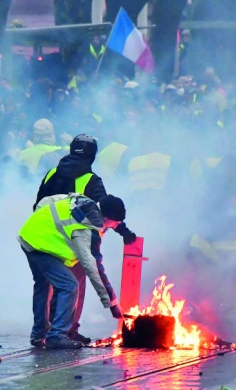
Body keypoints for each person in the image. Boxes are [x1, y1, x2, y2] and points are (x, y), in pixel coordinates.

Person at [34, 134, 137, 344]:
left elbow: (37, 205)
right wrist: (125, 232)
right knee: (75, 283)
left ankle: (41, 333)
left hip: (46, 239)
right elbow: (105, 210)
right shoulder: (92, 180)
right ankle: (67, 331)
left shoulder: (51, 174)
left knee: (45, 285)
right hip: (75, 242)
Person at [18, 193, 125, 349]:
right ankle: (56, 336)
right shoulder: (88, 229)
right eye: (116, 223)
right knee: (70, 285)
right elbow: (93, 267)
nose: (115, 227)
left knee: (43, 284)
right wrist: (112, 302)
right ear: (107, 218)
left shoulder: (81, 200)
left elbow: (46, 201)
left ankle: (39, 334)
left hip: (29, 235)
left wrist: (42, 225)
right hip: (41, 246)